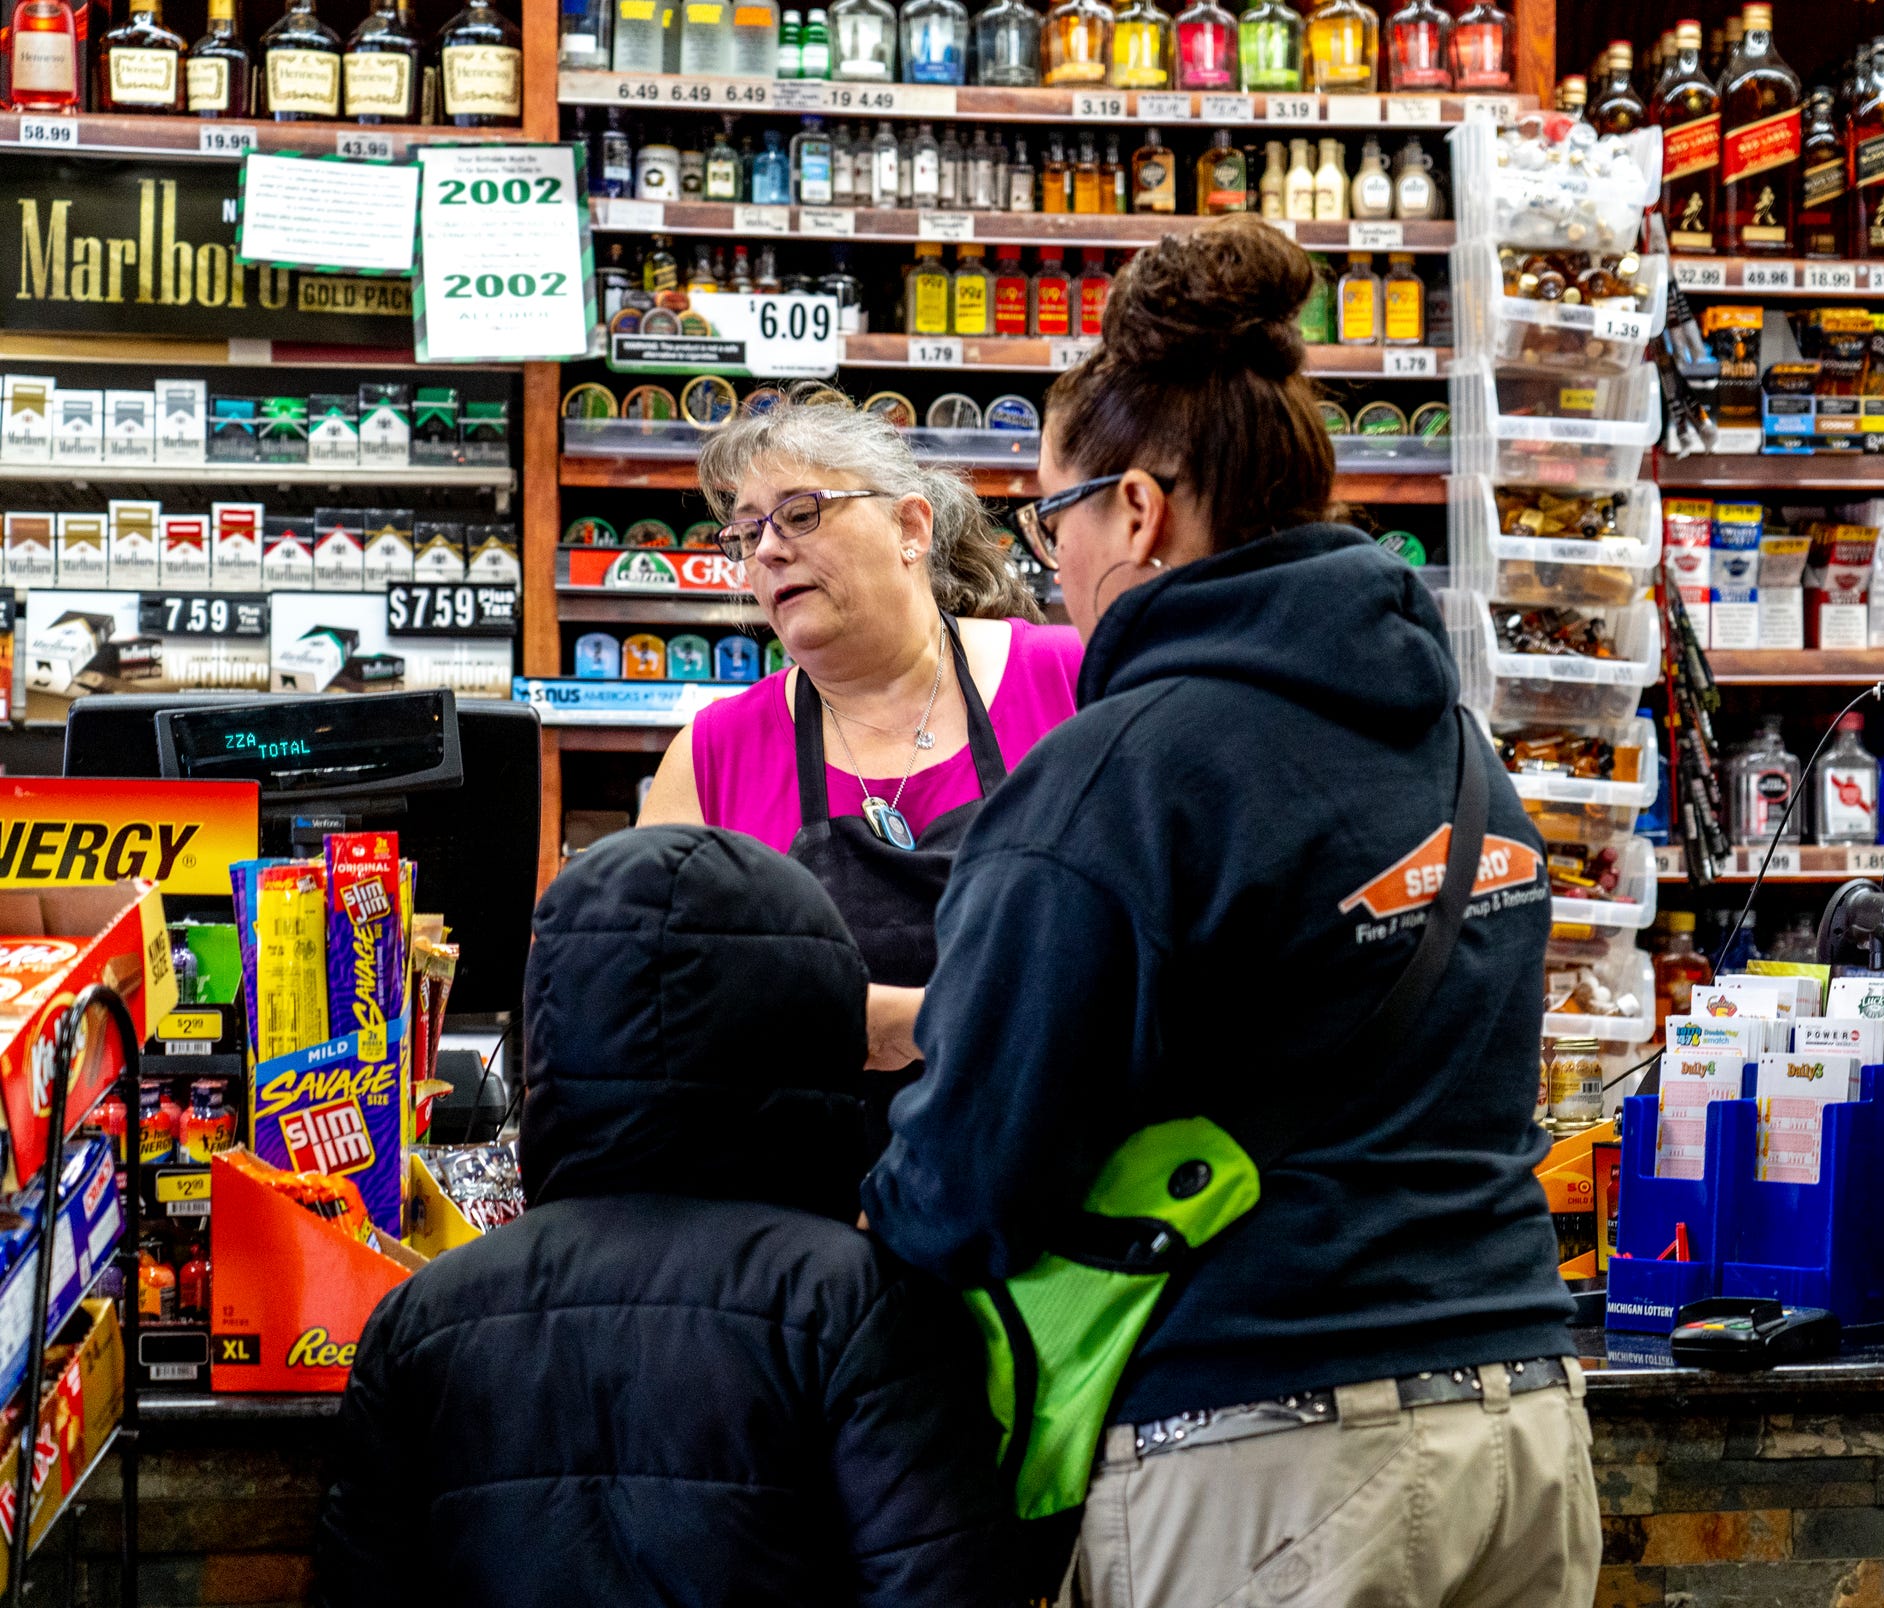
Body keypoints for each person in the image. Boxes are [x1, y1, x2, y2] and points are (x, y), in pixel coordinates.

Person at [863, 217, 1600, 1602]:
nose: (1050, 565)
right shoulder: (1458, 750)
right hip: (1526, 1428)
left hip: (1272, 1455)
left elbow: (968, 1185)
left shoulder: (1121, 774)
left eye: (1050, 519)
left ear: (1137, 511)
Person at [316, 826, 1016, 1608]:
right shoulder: (862, 1304)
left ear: (555, 1020)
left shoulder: (423, 1320)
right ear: (810, 1022)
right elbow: (941, 1584)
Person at [641, 391, 1083, 1073]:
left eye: (799, 514)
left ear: (910, 527)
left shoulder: (1069, 681)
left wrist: (915, 1022)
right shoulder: (711, 755)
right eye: (746, 532)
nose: (767, 550)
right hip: (804, 1169)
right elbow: (641, 1000)